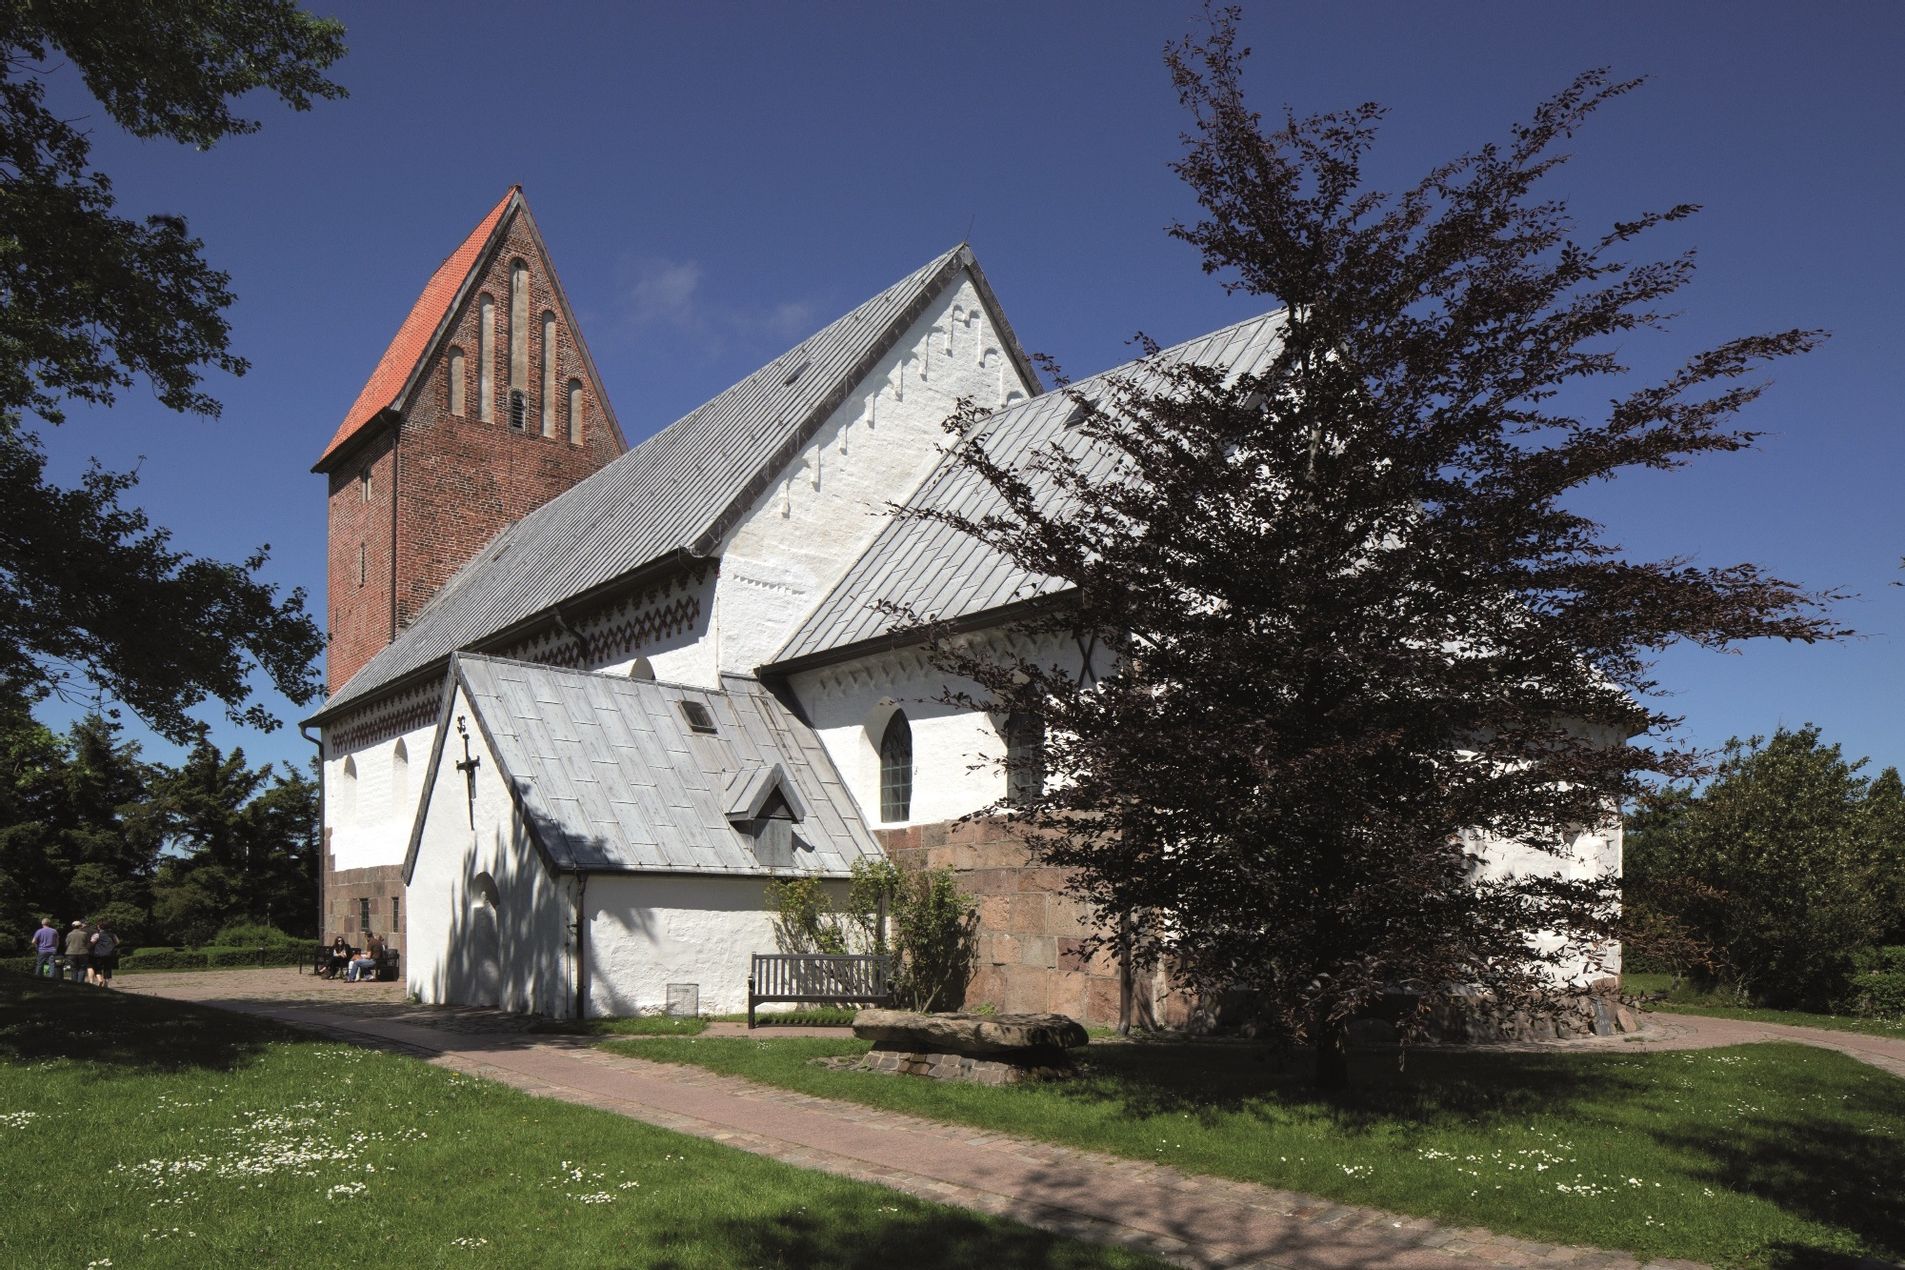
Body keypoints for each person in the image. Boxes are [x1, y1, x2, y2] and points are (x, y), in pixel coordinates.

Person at [89, 920, 119, 987]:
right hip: (109, 954)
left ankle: (100, 979)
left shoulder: (97, 935)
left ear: (99, 927)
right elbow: (117, 942)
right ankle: (106, 983)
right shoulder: (112, 935)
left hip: (98, 954)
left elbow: (92, 942)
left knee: (97, 967)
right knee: (108, 968)